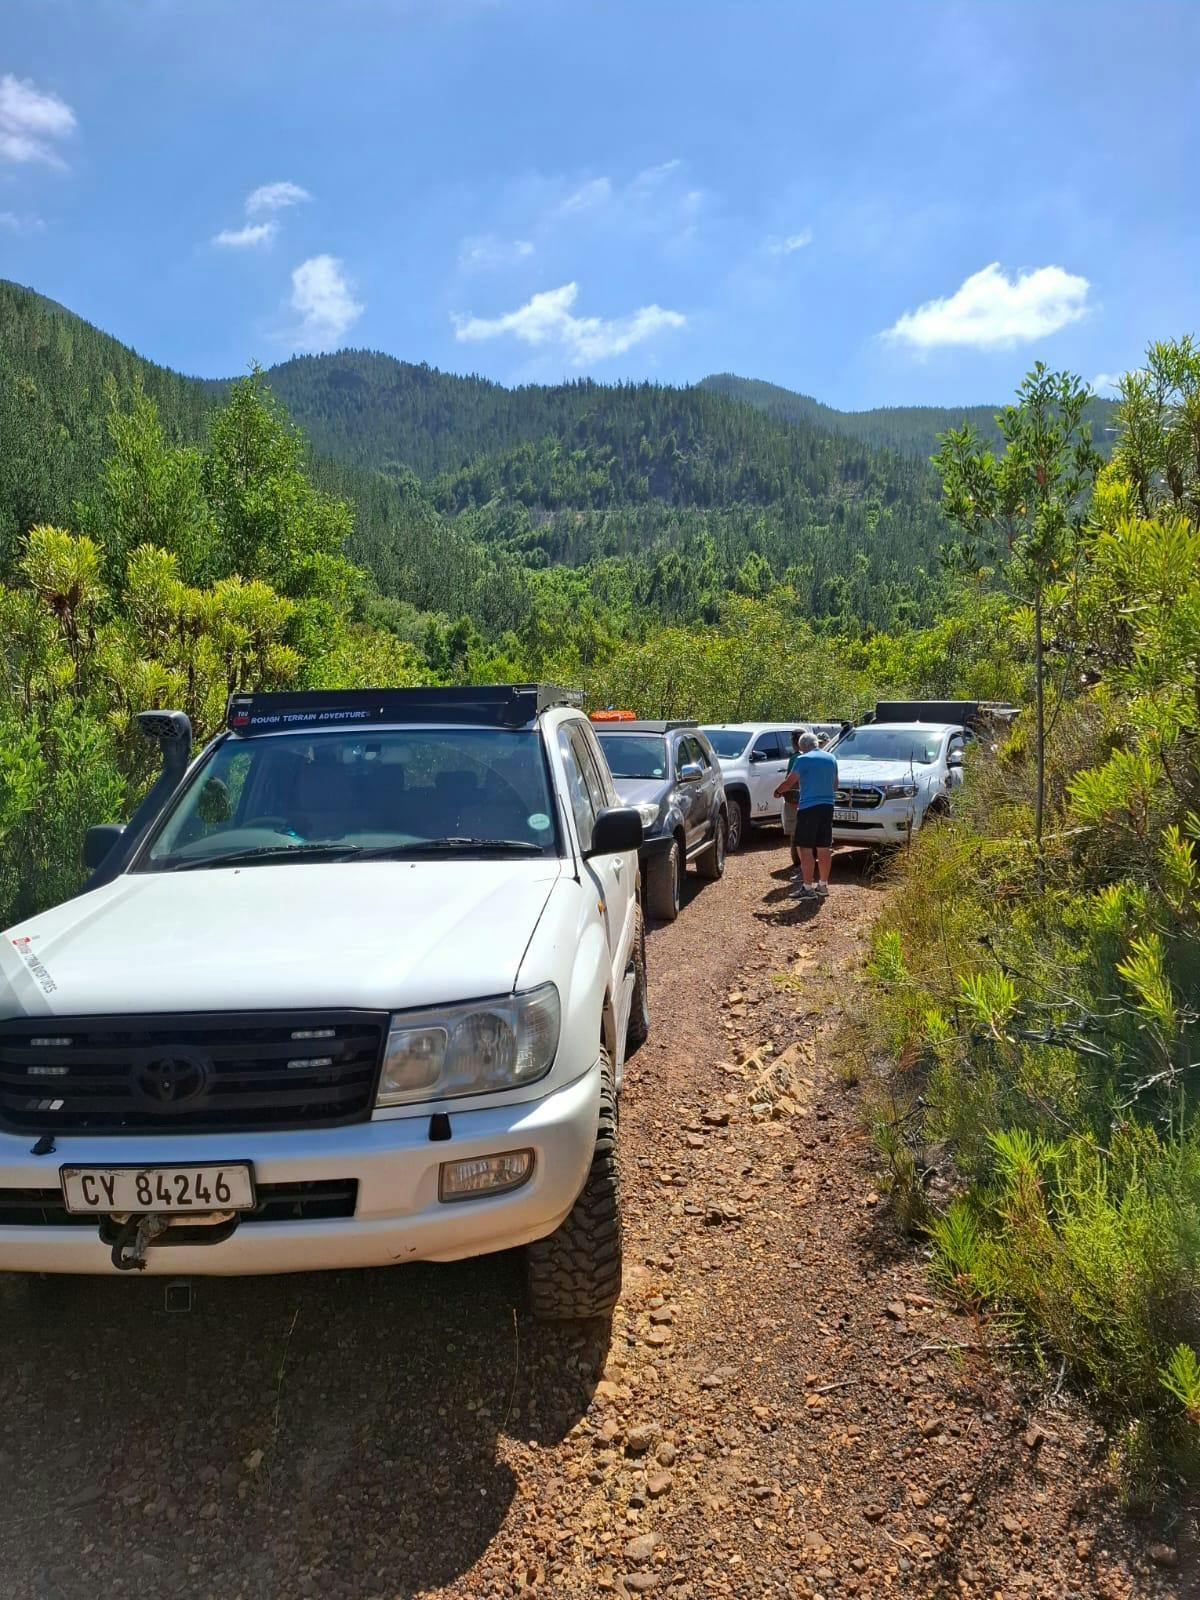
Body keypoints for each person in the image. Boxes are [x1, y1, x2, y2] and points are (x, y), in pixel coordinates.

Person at [774, 731, 838, 898]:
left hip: (809, 807)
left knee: (805, 848)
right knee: (824, 847)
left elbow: (790, 782)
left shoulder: (803, 759)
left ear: (802, 747)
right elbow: (835, 785)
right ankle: (823, 885)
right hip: (828, 806)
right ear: (816, 743)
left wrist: (778, 791)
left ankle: (808, 887)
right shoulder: (831, 758)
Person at [782, 729, 803, 868]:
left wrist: (781, 792)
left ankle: (798, 862)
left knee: (795, 831)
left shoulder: (796, 758)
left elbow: (790, 779)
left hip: (796, 799)